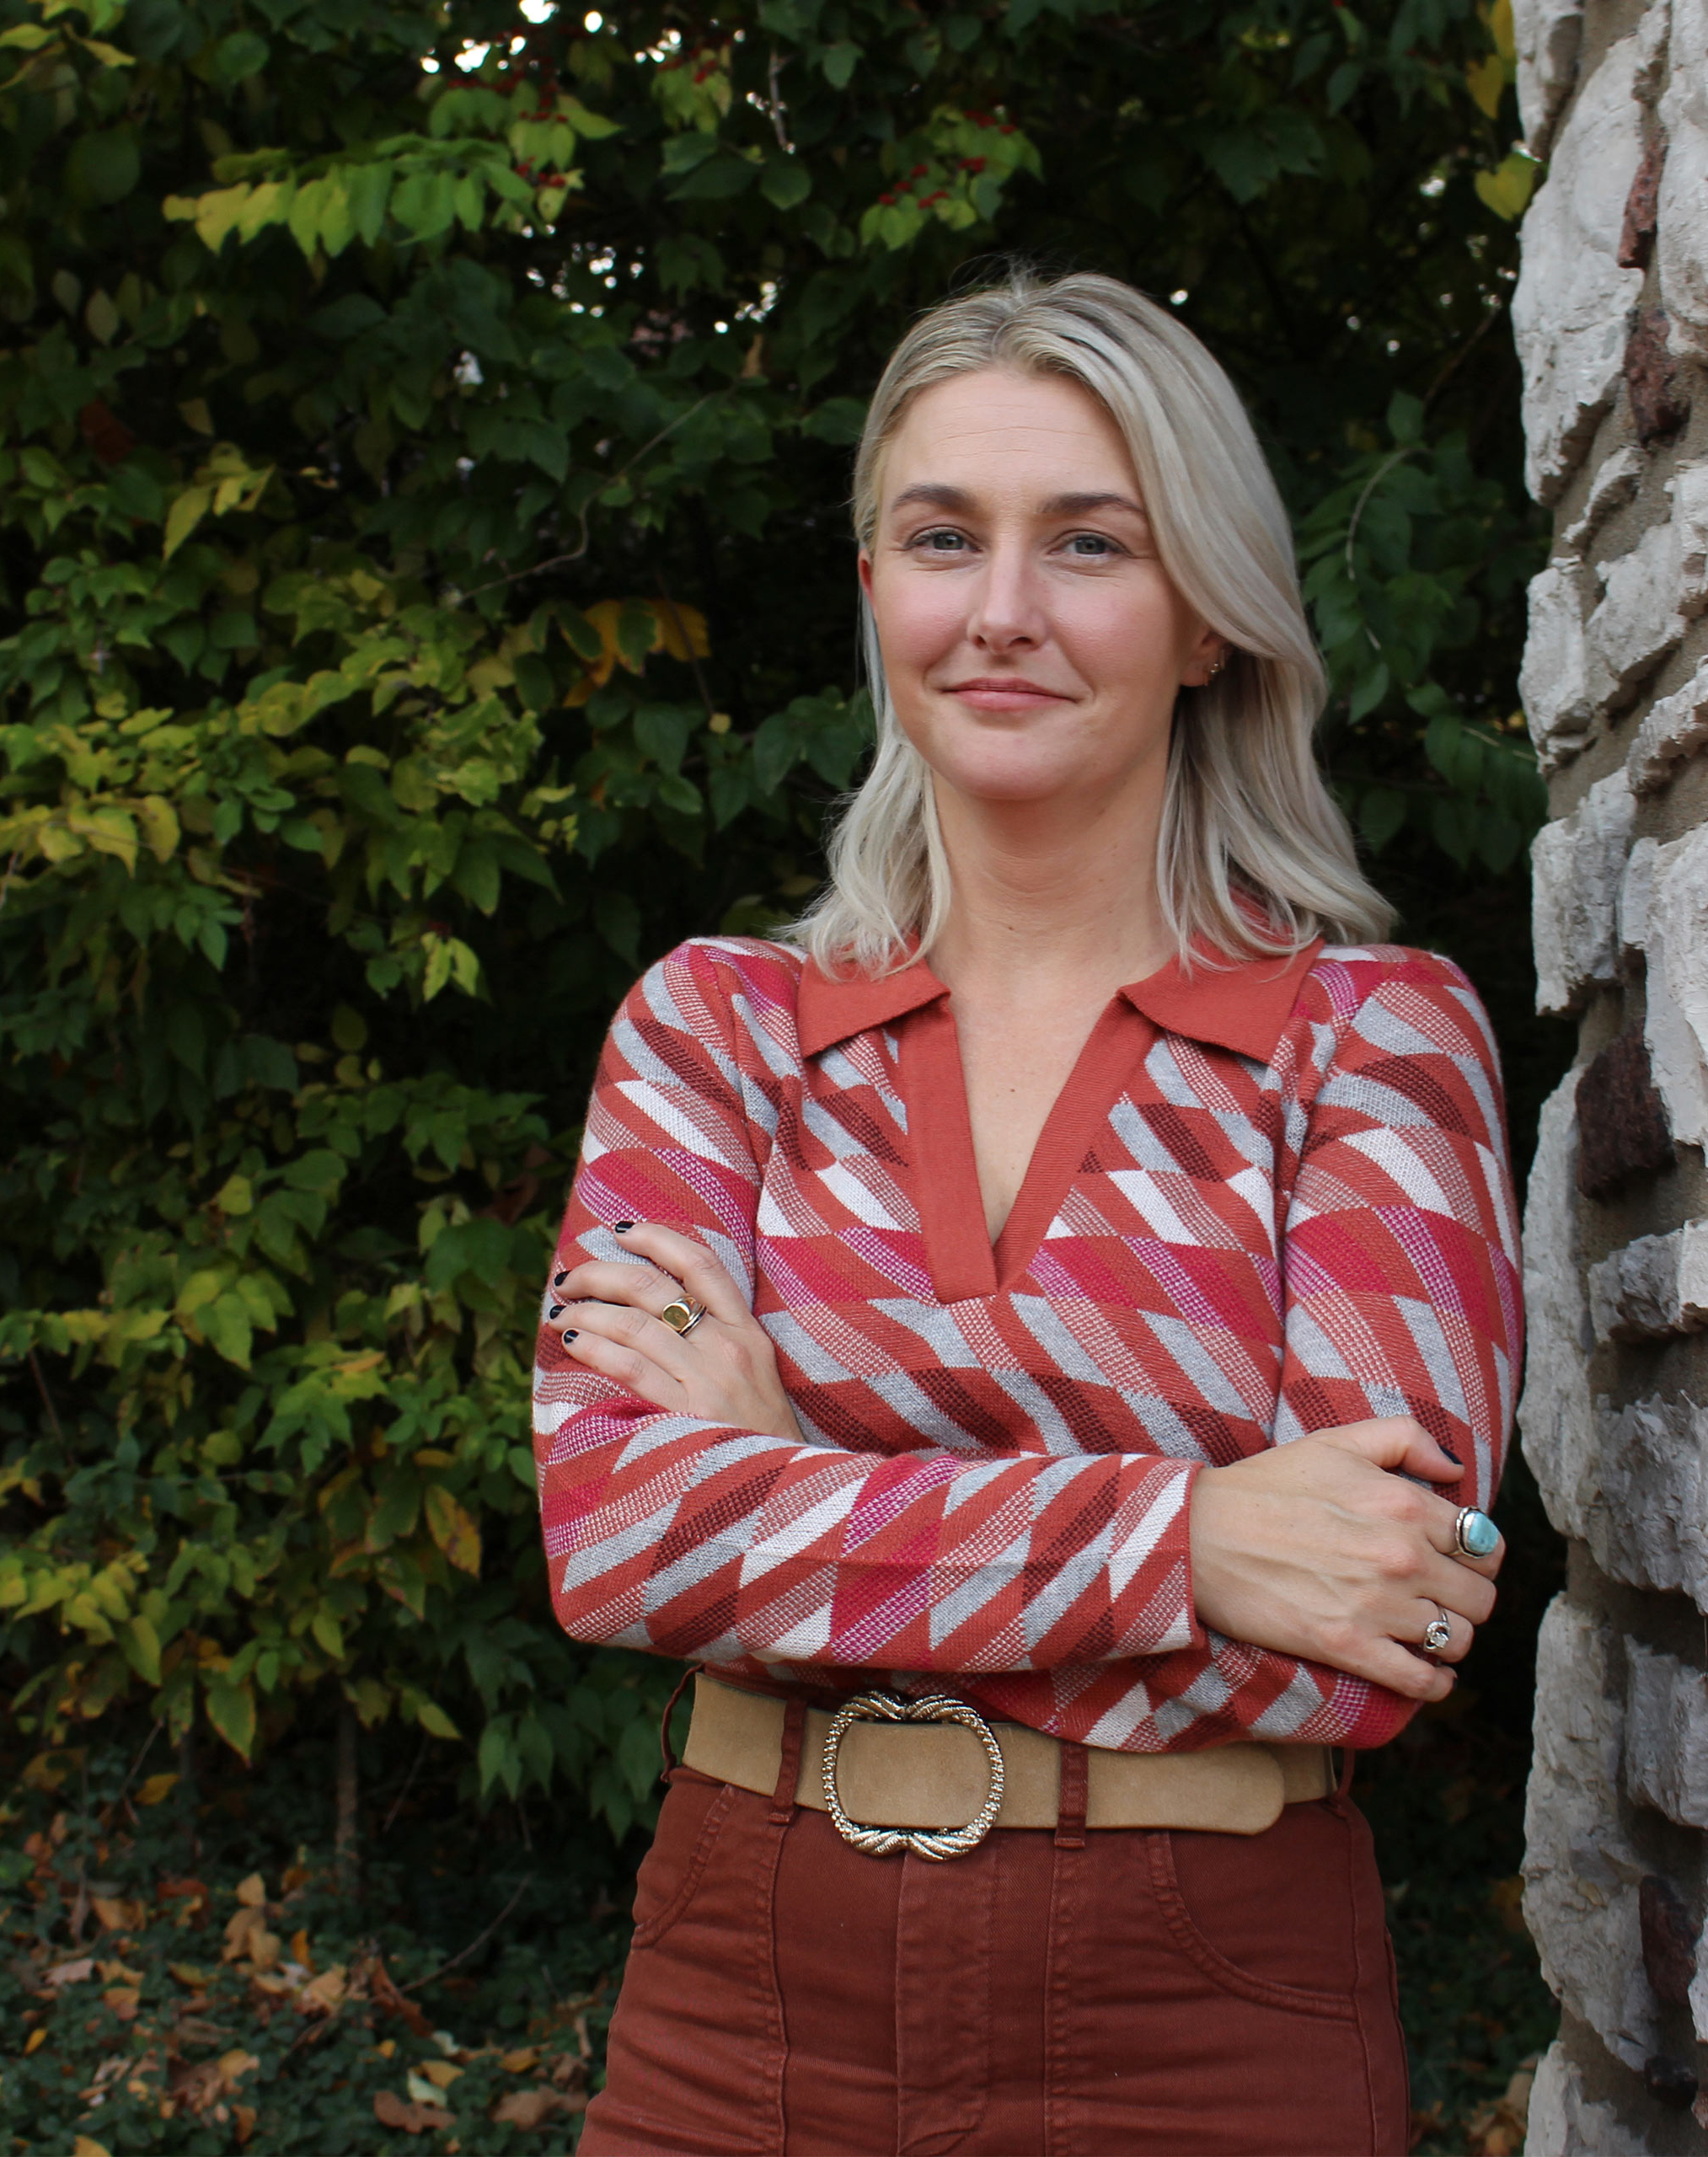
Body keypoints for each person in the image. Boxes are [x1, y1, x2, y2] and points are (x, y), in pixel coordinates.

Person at [533, 269, 1523, 2155]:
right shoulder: (717, 1027)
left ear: (1208, 616)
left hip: (1201, 2008)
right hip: (743, 1992)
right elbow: (618, 1532)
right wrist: (1192, 1535)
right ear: (875, 592)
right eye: (941, 537)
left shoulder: (1369, 1041)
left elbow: (1367, 1602)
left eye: (1088, 542)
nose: (1001, 610)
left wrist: (791, 1482)